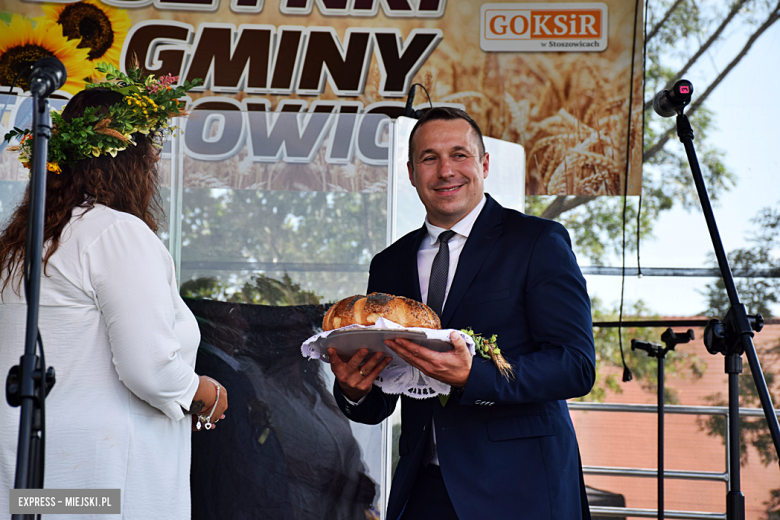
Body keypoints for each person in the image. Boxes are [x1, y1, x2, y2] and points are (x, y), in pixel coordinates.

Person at [328, 107, 596, 519]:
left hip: (521, 490)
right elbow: (384, 395)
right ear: (412, 172)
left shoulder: (537, 241)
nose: (445, 170)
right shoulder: (389, 262)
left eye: (460, 155)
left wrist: (475, 377)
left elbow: (575, 366)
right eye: (429, 158)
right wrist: (353, 389)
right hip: (424, 491)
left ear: (484, 164)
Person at [0, 70, 227, 519]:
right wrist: (205, 393)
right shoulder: (116, 233)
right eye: (149, 154)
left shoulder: (24, 245)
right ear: (129, 161)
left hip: (34, 475)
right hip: (100, 486)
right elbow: (150, 367)